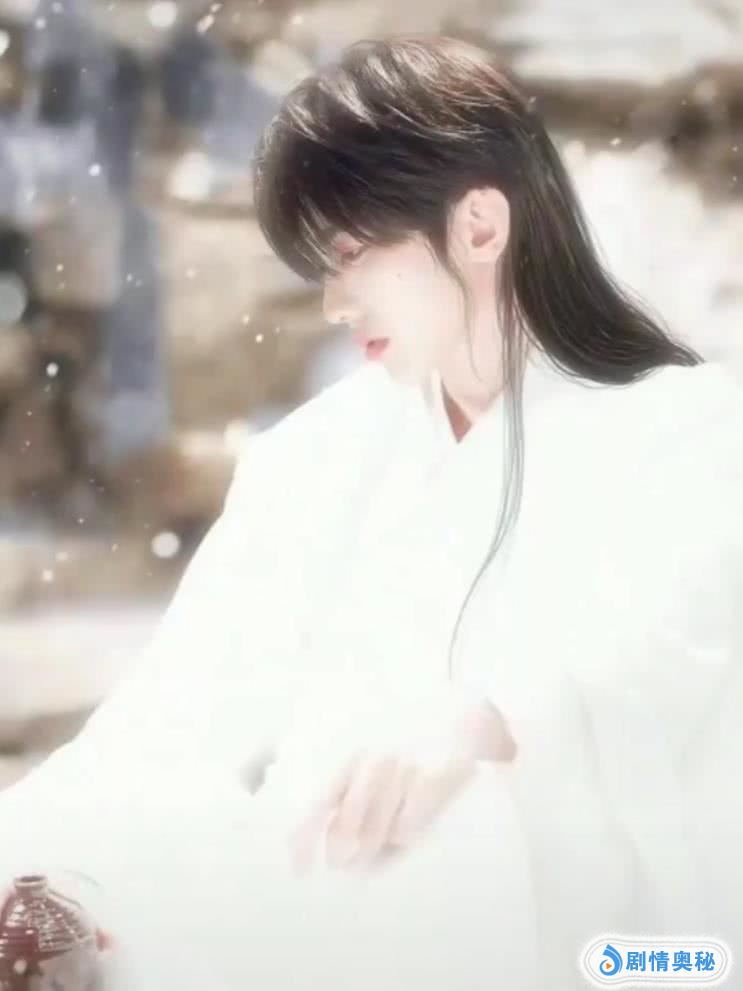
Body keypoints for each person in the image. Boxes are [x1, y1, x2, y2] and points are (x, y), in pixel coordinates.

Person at [1, 34, 742, 990]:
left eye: (352, 255)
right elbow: (178, 706)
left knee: (469, 818)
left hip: (626, 954)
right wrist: (53, 874)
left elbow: (672, 639)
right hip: (338, 915)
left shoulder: (688, 426)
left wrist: (483, 719)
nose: (334, 302)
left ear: (480, 226)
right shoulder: (315, 457)